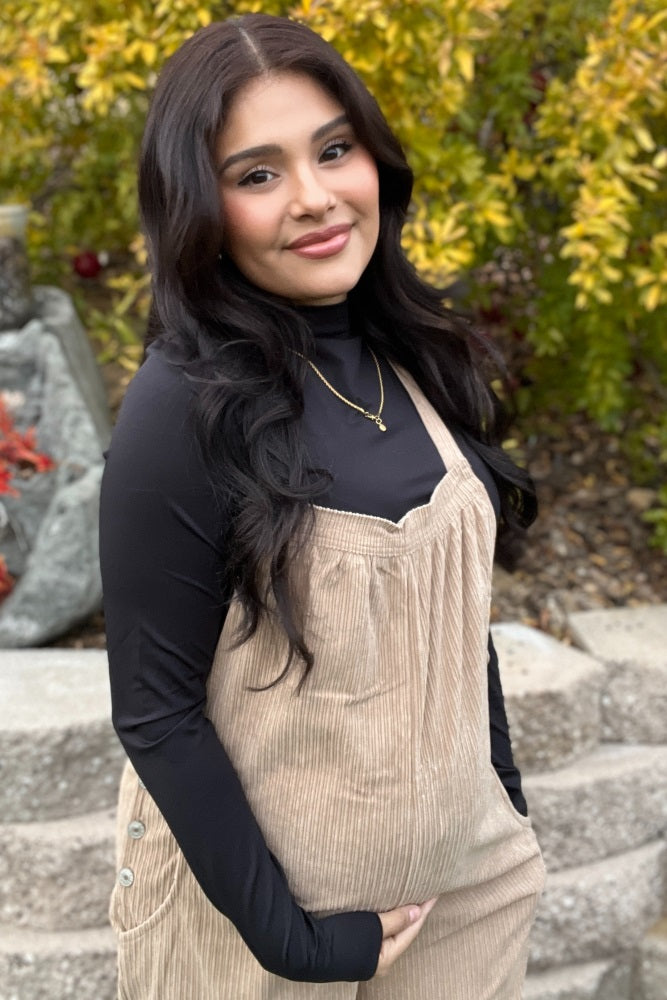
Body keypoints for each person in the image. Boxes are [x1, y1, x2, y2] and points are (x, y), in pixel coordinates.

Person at [99, 13, 546, 1000]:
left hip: (462, 902)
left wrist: (506, 811)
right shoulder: (183, 406)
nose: (313, 196)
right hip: (262, 929)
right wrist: (297, 943)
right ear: (200, 205)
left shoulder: (415, 354)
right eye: (258, 174)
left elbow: (453, 616)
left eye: (333, 150)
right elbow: (156, 710)